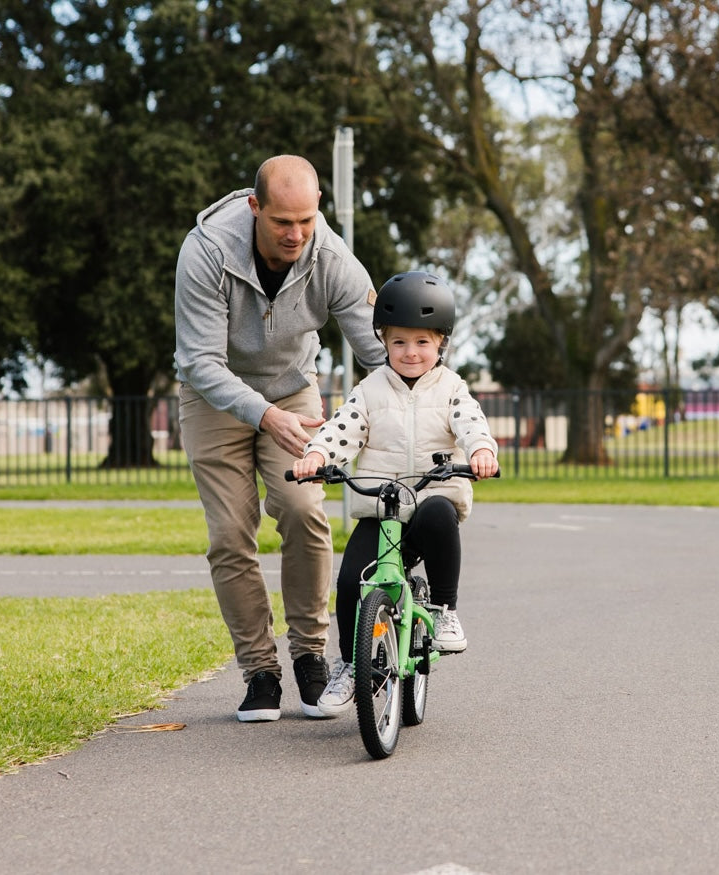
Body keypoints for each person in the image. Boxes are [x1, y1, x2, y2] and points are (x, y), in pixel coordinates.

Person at [174, 155, 386, 722]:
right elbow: (200, 361)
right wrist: (263, 415)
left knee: (302, 509)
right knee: (230, 534)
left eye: (307, 220)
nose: (296, 234)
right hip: (213, 395)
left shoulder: (333, 258)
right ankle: (259, 672)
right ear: (254, 208)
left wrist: (425, 405)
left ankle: (311, 660)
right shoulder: (207, 251)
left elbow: (379, 354)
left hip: (294, 390)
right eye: (282, 222)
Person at [291, 270, 499, 716]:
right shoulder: (369, 390)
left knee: (441, 514)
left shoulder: (451, 389)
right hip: (382, 510)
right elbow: (341, 429)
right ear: (383, 340)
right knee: (351, 582)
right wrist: (317, 454)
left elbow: (471, 422)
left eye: (423, 342)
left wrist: (481, 449)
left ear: (441, 343)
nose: (411, 352)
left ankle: (444, 609)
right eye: (400, 341)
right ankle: (351, 666)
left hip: (430, 500)